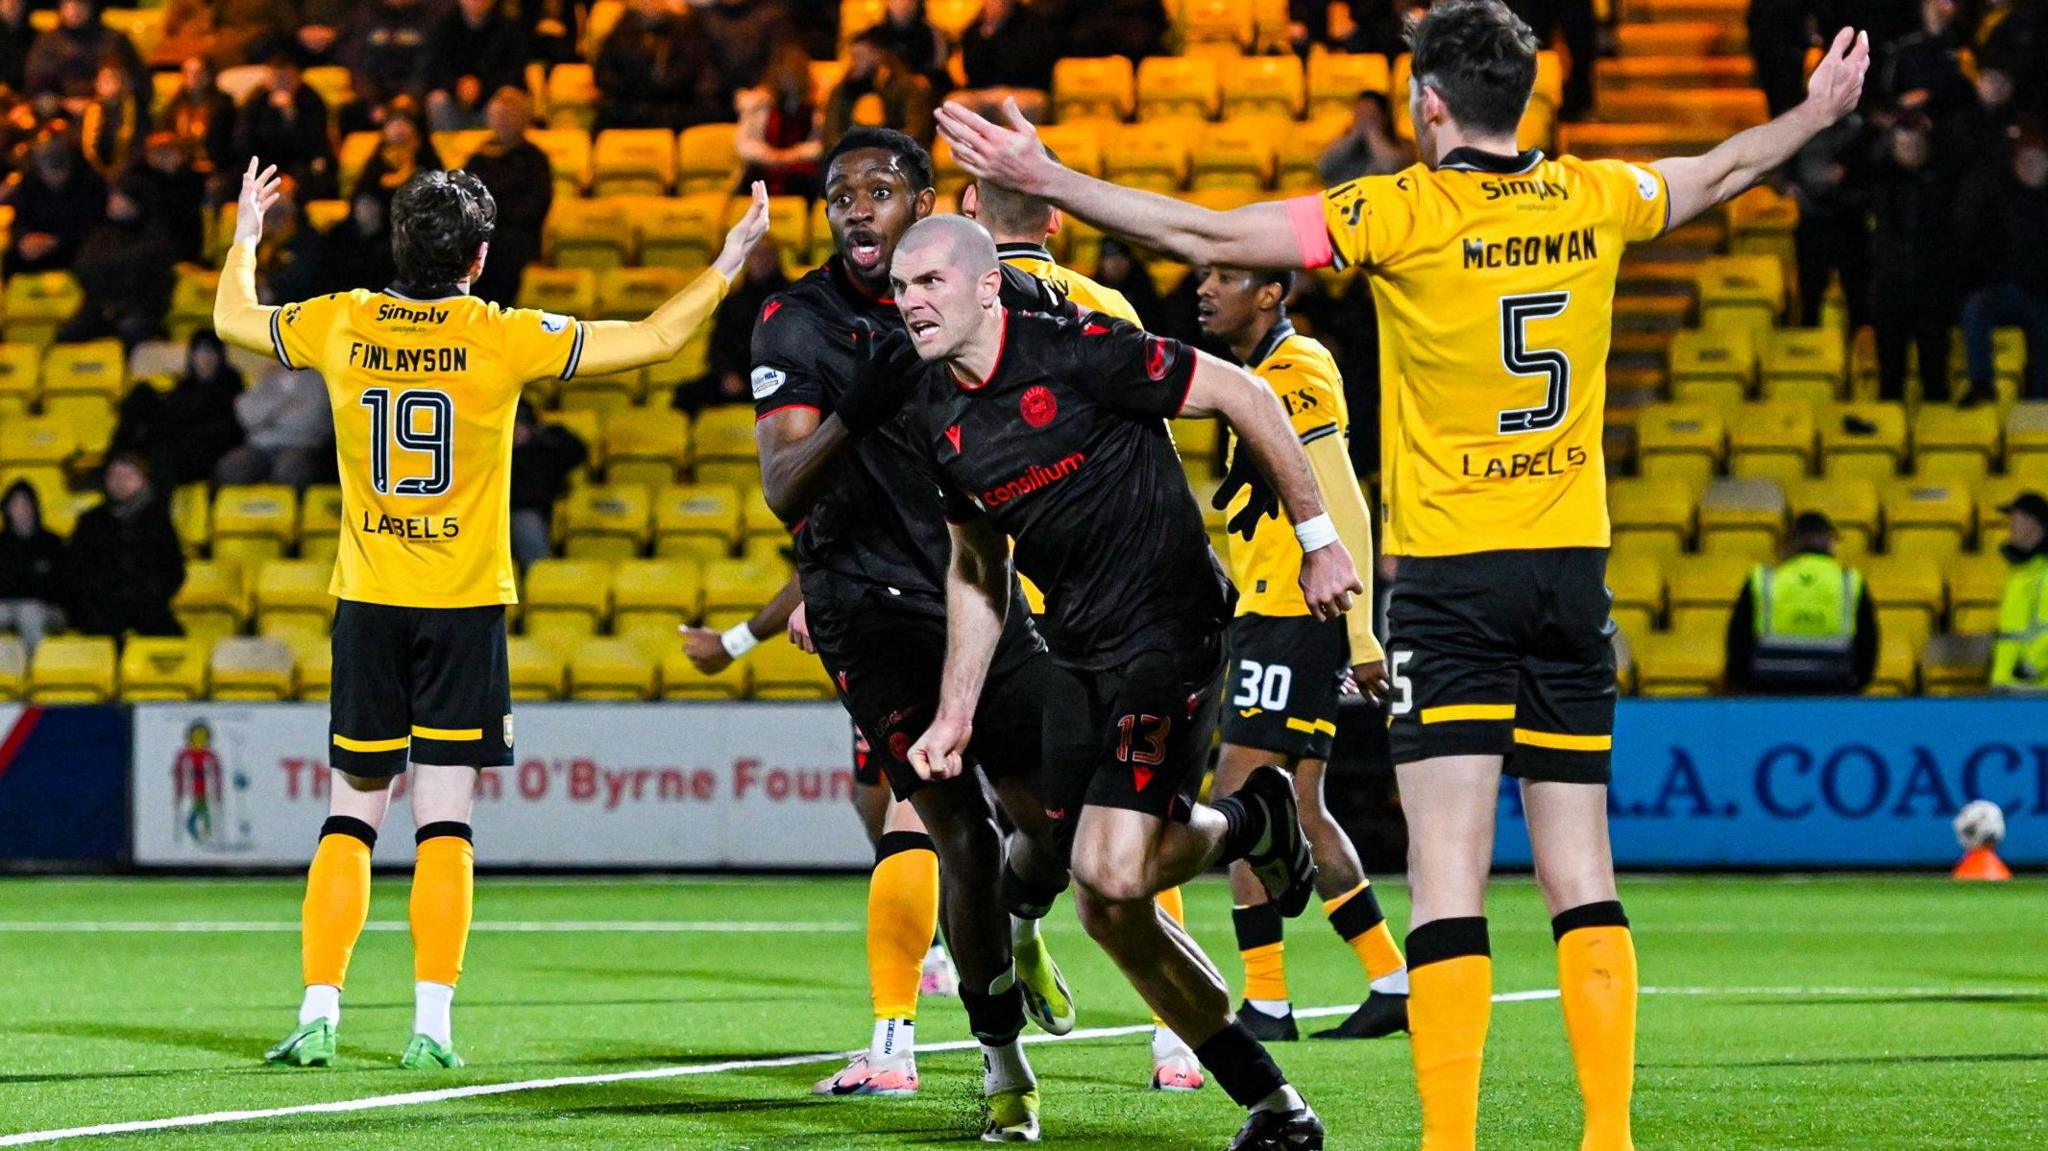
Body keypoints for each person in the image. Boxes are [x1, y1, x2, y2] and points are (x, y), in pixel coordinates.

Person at [934, 5, 1871, 1147]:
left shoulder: (1400, 210)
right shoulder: (1591, 195)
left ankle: (1447, 1141)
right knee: (1583, 868)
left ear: (1427, 105)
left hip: (1450, 580)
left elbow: (1206, 234)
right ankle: (1609, 1135)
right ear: (1521, 95)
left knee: (1447, 880)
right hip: (1570, 567)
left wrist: (1050, 176)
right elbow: (1721, 168)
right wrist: (1814, 114)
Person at [213, 156, 770, 1070]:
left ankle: (319, 1007)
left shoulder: (342, 320)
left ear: (399, 244)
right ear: (478, 257)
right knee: (444, 821)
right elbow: (655, 340)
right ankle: (431, 1024)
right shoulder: (500, 334)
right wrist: (726, 260)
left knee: (349, 816)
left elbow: (233, 318)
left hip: (369, 599)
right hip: (463, 606)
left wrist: (245, 237)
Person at [895, 215, 1360, 1151]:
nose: (912, 302)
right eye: (903, 288)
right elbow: (978, 570)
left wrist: (1319, 539)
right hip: (1076, 653)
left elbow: (1242, 394)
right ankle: (1276, 1104)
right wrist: (954, 711)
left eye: (932, 282)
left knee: (1108, 868)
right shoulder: (936, 417)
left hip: (1171, 630)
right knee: (1105, 903)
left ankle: (1246, 825)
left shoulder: (1077, 348)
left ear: (987, 285)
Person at [749, 128, 1076, 1133]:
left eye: (878, 188)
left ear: (929, 204)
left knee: (1054, 828)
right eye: (838, 193)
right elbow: (780, 486)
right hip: (865, 611)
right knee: (957, 836)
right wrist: (860, 404)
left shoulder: (976, 299)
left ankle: (1019, 933)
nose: (854, 206)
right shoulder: (793, 322)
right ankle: (1000, 1062)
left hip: (981, 587)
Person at [960, 165, 1208, 1090]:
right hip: (1097, 602)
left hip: (1006, 607)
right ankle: (1164, 1027)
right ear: (1059, 218)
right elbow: (1151, 449)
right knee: (1124, 808)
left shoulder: (948, 310)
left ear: (967, 212)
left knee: (961, 821)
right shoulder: (1105, 306)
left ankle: (929, 1012)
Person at [1194, 262, 1413, 1048]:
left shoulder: (1297, 368)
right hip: (1282, 612)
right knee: (1301, 807)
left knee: (1241, 801)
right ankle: (1392, 979)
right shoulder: (1255, 374)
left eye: (1226, 276)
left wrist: (1360, 635)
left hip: (1296, 614)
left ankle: (1268, 1002)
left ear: (1271, 294)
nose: (1204, 287)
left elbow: (1339, 495)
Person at [1725, 511, 1879, 694]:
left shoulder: (1763, 579)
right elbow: (1868, 643)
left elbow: (1738, 640)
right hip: (1833, 693)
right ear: (1831, 541)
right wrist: (1855, 686)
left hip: (1769, 693)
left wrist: (1746, 686)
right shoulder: (1849, 581)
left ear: (1789, 541)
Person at [1866, 116, 1960, 403]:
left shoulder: (1943, 181)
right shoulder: (1883, 181)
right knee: (1890, 375)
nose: (1911, 151)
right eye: (1904, 145)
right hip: (1891, 287)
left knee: (1935, 373)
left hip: (1931, 287)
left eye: (1916, 145)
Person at [1957, 139, 2048, 404]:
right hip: (2006, 287)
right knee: (1975, 309)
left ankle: (2041, 400)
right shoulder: (2000, 198)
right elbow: (1981, 244)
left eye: (2040, 160)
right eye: (2027, 160)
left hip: (2042, 293)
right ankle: (1981, 383)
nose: (2033, 167)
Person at [65, 453, 186, 638]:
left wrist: (152, 594)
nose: (120, 482)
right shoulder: (90, 521)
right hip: (102, 609)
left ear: (142, 480)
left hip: (149, 605)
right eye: (114, 476)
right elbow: (76, 569)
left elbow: (173, 568)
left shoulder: (158, 520)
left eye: (128, 476)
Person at [111, 331, 246, 487]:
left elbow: (228, 428)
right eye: (199, 351)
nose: (205, 358)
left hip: (207, 450)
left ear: (220, 356)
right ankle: (114, 461)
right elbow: (170, 417)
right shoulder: (185, 386)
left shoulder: (231, 384)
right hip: (176, 443)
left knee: (162, 454)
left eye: (211, 351)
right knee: (142, 393)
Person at [674, 235, 787, 415]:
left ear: (776, 258)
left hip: (777, 380)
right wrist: (727, 374)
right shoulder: (733, 300)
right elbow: (717, 348)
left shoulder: (795, 298)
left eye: (766, 253)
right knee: (685, 394)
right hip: (734, 377)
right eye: (755, 253)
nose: (761, 259)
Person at [60, 177, 177, 347]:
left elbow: (150, 280)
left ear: (135, 203)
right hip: (100, 308)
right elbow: (84, 267)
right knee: (69, 334)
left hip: (139, 309)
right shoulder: (101, 235)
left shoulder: (155, 237)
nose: (112, 201)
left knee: (132, 330)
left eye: (119, 197)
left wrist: (111, 270)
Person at [462, 88, 552, 308]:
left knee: (501, 254)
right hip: (481, 234)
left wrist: (496, 215)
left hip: (516, 235)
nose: (503, 121)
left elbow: (537, 203)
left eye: (509, 116)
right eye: (498, 115)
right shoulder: (479, 156)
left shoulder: (534, 159)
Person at [2, 135, 106, 276]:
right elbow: (20, 218)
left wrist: (58, 241)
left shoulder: (89, 183)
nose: (54, 178)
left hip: (75, 247)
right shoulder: (30, 183)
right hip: (36, 244)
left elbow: (93, 224)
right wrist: (24, 238)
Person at [214, 364, 334, 487]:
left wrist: (266, 416)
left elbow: (308, 420)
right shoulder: (265, 378)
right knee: (230, 467)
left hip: (301, 446)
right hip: (259, 447)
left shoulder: (318, 380)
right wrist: (286, 405)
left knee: (290, 468)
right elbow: (248, 417)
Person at [234, 56, 336, 199]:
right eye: (276, 78)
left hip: (303, 169)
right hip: (264, 169)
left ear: (298, 78)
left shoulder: (311, 100)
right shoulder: (256, 102)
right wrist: (276, 176)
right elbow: (245, 144)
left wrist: (290, 114)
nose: (281, 84)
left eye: (287, 78)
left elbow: (315, 143)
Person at [426, 0, 529, 133]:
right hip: (455, 100)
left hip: (493, 98)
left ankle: (502, 149)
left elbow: (515, 74)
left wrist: (482, 87)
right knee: (437, 100)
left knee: (508, 98)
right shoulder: (443, 28)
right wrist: (457, 86)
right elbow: (435, 71)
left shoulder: (510, 29)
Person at [23, 0, 148, 109]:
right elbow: (35, 86)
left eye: (81, 3)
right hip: (59, 118)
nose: (74, 9)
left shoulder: (114, 41)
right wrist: (62, 104)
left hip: (108, 116)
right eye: (68, 3)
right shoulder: (47, 43)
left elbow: (139, 84)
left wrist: (112, 91)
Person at [735, 44, 823, 199]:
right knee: (752, 180)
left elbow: (822, 144)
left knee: (806, 180)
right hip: (765, 163)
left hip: (800, 165)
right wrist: (770, 155)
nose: (790, 81)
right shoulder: (758, 104)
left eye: (794, 75)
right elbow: (743, 144)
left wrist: (793, 154)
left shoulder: (817, 106)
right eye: (786, 75)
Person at [507, 400, 586, 569]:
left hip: (526, 512)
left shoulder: (545, 448)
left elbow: (579, 451)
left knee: (526, 523)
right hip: (489, 514)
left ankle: (539, 579)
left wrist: (539, 435)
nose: (514, 432)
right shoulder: (489, 448)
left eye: (517, 425)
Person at [825, 29, 934, 148]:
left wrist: (882, 145)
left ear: (877, 55)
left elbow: (915, 129)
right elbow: (832, 131)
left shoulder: (905, 87)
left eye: (860, 56)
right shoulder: (842, 89)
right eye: (852, 57)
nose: (854, 63)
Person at [953, 0, 1058, 123]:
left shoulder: (1032, 25)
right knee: (955, 104)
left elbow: (1024, 69)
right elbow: (972, 72)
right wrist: (988, 32)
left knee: (1017, 107)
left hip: (1024, 91)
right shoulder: (976, 30)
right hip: (984, 92)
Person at [0, 480, 68, 652]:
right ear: (7, 509)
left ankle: (37, 667)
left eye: (26, 503)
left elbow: (64, 583)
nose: (21, 509)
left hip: (46, 609)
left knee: (29, 612)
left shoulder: (53, 543)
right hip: (7, 607)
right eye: (16, 504)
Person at [1991, 490, 2048, 692]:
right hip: (2008, 687)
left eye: (2017, 518)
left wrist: (2029, 667)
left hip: (2036, 690)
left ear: (2034, 523)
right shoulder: (2020, 572)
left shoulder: (2044, 572)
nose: (2011, 525)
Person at [1319, 91, 1412, 186]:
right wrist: (1354, 135)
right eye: (1360, 113)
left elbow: (1391, 166)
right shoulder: (1341, 143)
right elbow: (1324, 166)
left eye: (1370, 113)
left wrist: (1372, 133)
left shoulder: (1404, 145)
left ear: (1384, 117)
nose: (1364, 119)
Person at [319, 190, 400, 293]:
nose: (365, 208)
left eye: (370, 204)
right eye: (361, 204)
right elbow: (328, 273)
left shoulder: (395, 238)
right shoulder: (337, 236)